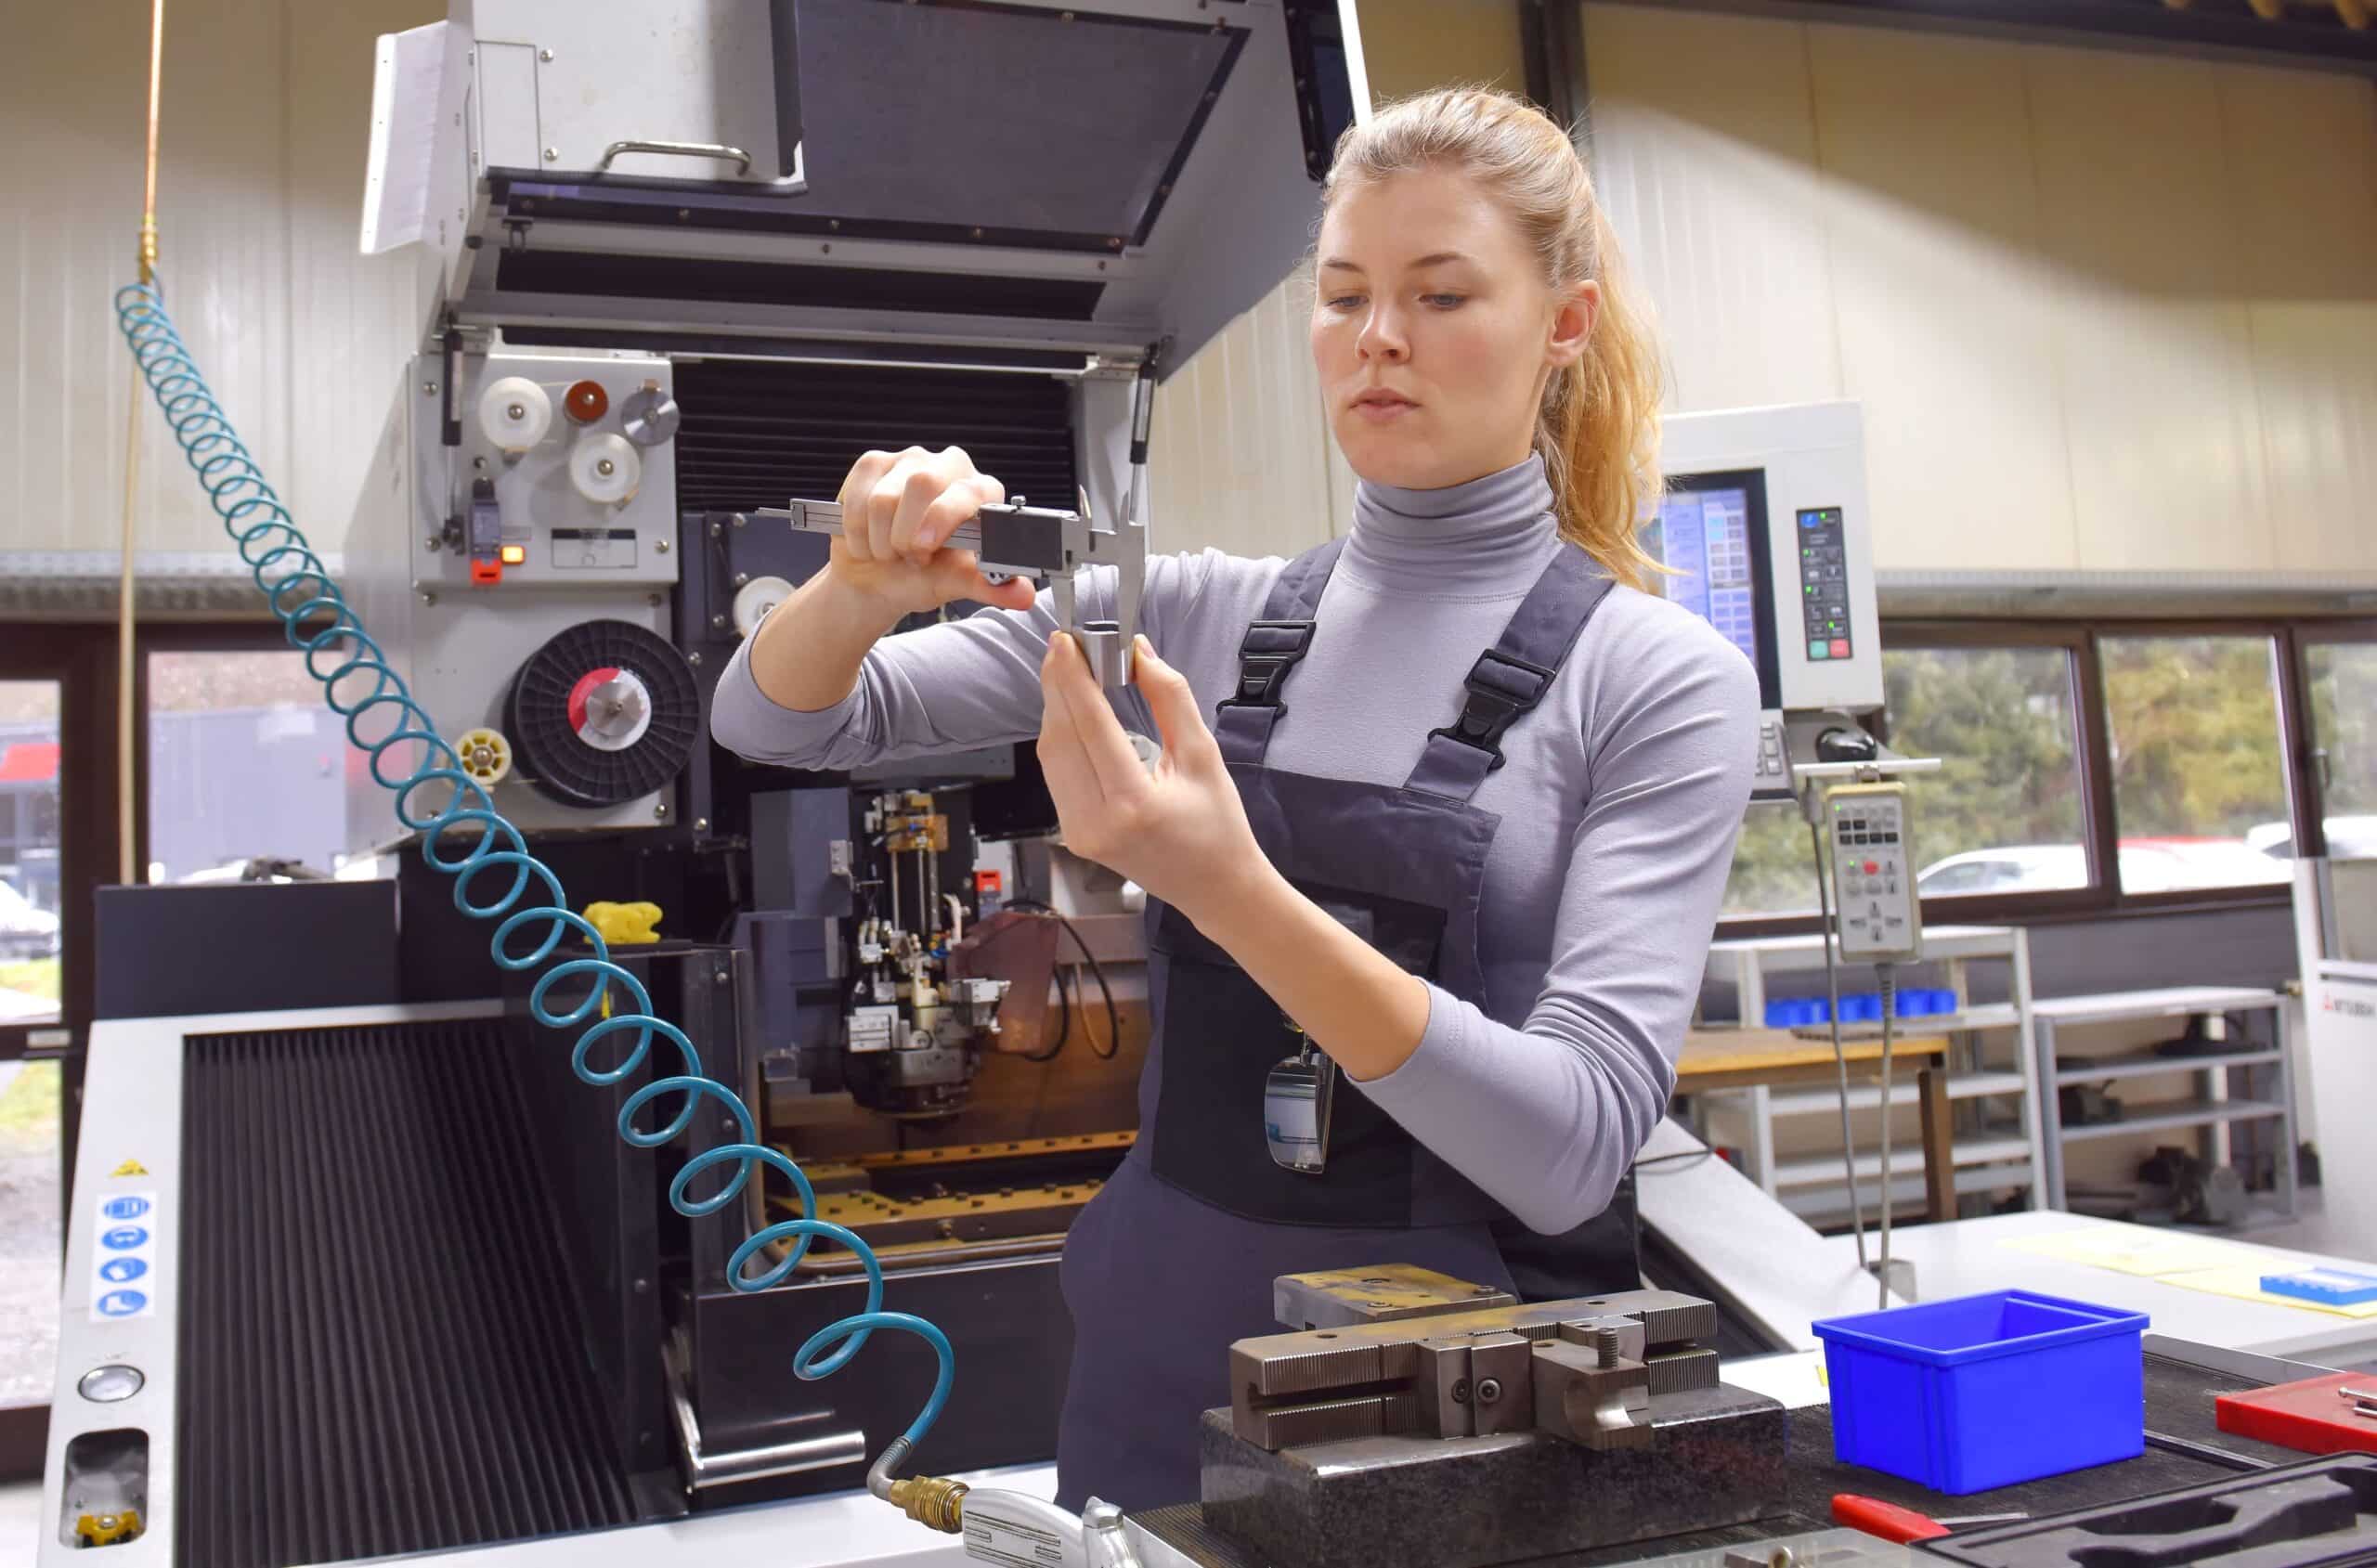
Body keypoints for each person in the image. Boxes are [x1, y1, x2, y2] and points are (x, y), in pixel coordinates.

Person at [710, 87, 1759, 1511]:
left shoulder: (1654, 676)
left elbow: (1573, 1144)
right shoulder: (1200, 615)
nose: (1378, 337)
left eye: (1442, 294)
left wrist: (1223, 885)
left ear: (1562, 326)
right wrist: (858, 584)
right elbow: (779, 719)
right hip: (1158, 1384)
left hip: (1466, 1424)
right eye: (1343, 297)